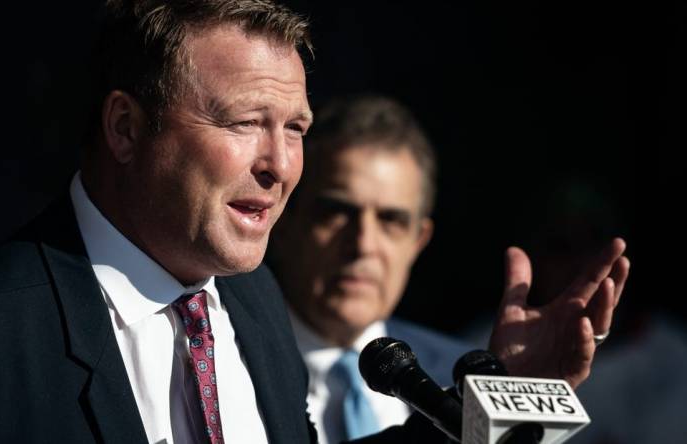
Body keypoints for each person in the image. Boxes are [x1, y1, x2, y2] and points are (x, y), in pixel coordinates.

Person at [0, 1, 628, 443]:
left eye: (298, 128)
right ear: (125, 127)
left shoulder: (249, 301)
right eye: (248, 122)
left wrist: (505, 395)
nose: (280, 165)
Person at [269, 94, 630, 443]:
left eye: (391, 220)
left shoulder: (461, 377)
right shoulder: (225, 369)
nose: (363, 244)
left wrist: (516, 400)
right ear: (284, 221)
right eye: (336, 213)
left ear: (418, 241)